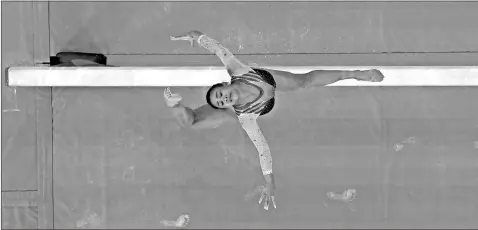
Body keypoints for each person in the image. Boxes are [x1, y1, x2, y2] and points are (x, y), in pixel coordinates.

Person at [164, 30, 384, 211]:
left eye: (220, 94)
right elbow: (262, 149)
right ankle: (175, 105)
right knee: (191, 122)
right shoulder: (245, 117)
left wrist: (198, 37)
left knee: (303, 82)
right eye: (221, 102)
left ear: (225, 84)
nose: (223, 98)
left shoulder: (237, 69)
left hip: (265, 81)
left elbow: (218, 49)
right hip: (248, 109)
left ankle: (354, 73)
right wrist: (269, 182)